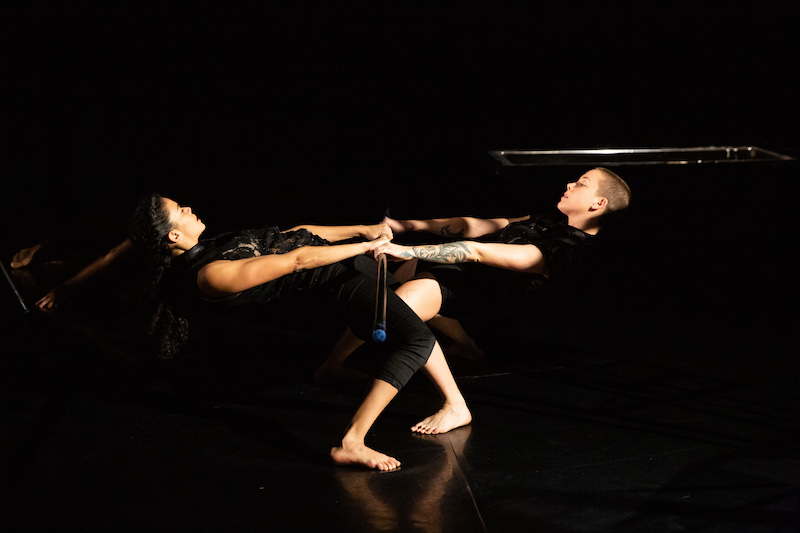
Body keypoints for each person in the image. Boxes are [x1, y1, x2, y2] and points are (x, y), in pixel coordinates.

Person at [128, 194, 472, 471]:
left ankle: (455, 397)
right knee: (417, 340)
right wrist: (364, 247)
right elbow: (297, 260)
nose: (188, 206)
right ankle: (351, 441)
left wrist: (364, 230)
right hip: (332, 284)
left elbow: (295, 234)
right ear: (174, 235)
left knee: (413, 304)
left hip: (340, 267)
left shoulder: (213, 243)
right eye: (179, 210)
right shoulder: (210, 275)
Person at [374, 167, 632, 335]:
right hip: (461, 276)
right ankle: (465, 347)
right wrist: (407, 225)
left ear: (599, 203)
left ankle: (336, 368)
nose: (570, 184)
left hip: (482, 300)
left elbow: (478, 252)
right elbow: (477, 226)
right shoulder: (550, 219)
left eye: (581, 184)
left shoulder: (568, 250)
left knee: (388, 308)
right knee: (389, 285)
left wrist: (411, 251)